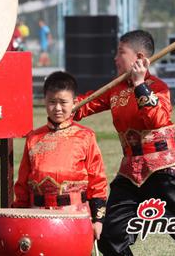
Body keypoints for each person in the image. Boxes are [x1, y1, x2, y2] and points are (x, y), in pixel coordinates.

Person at [74, 30, 175, 256]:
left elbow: (156, 119)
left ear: (139, 57)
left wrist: (141, 84)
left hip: (164, 171)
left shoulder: (159, 87)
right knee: (109, 236)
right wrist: (63, 106)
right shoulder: (115, 89)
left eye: (120, 52)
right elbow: (84, 106)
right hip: (130, 174)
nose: (115, 58)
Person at [13, 71, 107, 240]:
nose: (57, 108)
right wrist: (19, 214)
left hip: (75, 216)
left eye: (63, 102)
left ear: (74, 102)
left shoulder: (85, 136)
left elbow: (97, 182)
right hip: (37, 216)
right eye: (52, 102)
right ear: (44, 102)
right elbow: (22, 184)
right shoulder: (33, 138)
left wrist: (98, 220)